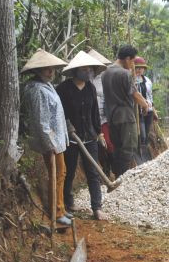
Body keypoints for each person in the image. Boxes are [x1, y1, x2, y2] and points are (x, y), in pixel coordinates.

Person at [21, 49, 71, 226]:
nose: (51, 72)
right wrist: (49, 144)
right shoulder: (36, 89)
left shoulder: (47, 86)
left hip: (57, 139)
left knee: (61, 173)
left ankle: (61, 207)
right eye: (47, 69)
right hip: (50, 141)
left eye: (52, 69)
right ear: (37, 71)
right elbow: (41, 121)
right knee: (56, 174)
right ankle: (56, 212)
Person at [56, 51, 107, 221]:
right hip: (71, 138)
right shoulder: (63, 89)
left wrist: (99, 132)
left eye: (90, 69)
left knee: (93, 172)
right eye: (84, 69)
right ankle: (68, 202)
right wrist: (67, 125)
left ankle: (97, 208)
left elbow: (94, 113)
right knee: (69, 171)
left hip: (89, 136)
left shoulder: (91, 88)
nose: (88, 72)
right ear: (75, 71)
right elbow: (58, 113)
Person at [101, 45, 150, 177]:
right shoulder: (123, 73)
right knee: (129, 148)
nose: (133, 64)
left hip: (111, 117)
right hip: (125, 116)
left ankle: (117, 175)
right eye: (133, 61)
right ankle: (121, 177)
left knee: (117, 148)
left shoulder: (105, 72)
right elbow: (134, 93)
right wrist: (145, 105)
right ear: (127, 59)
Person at [87, 48, 114, 177]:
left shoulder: (106, 77)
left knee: (108, 143)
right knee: (96, 145)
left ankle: (111, 167)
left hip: (104, 116)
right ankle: (103, 169)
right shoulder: (86, 78)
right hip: (89, 117)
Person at [134, 57, 154, 148]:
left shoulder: (148, 80)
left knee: (146, 131)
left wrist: (153, 108)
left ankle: (146, 150)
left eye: (141, 68)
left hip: (148, 110)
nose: (139, 70)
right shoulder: (132, 80)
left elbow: (150, 96)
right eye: (137, 68)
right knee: (142, 134)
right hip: (138, 111)